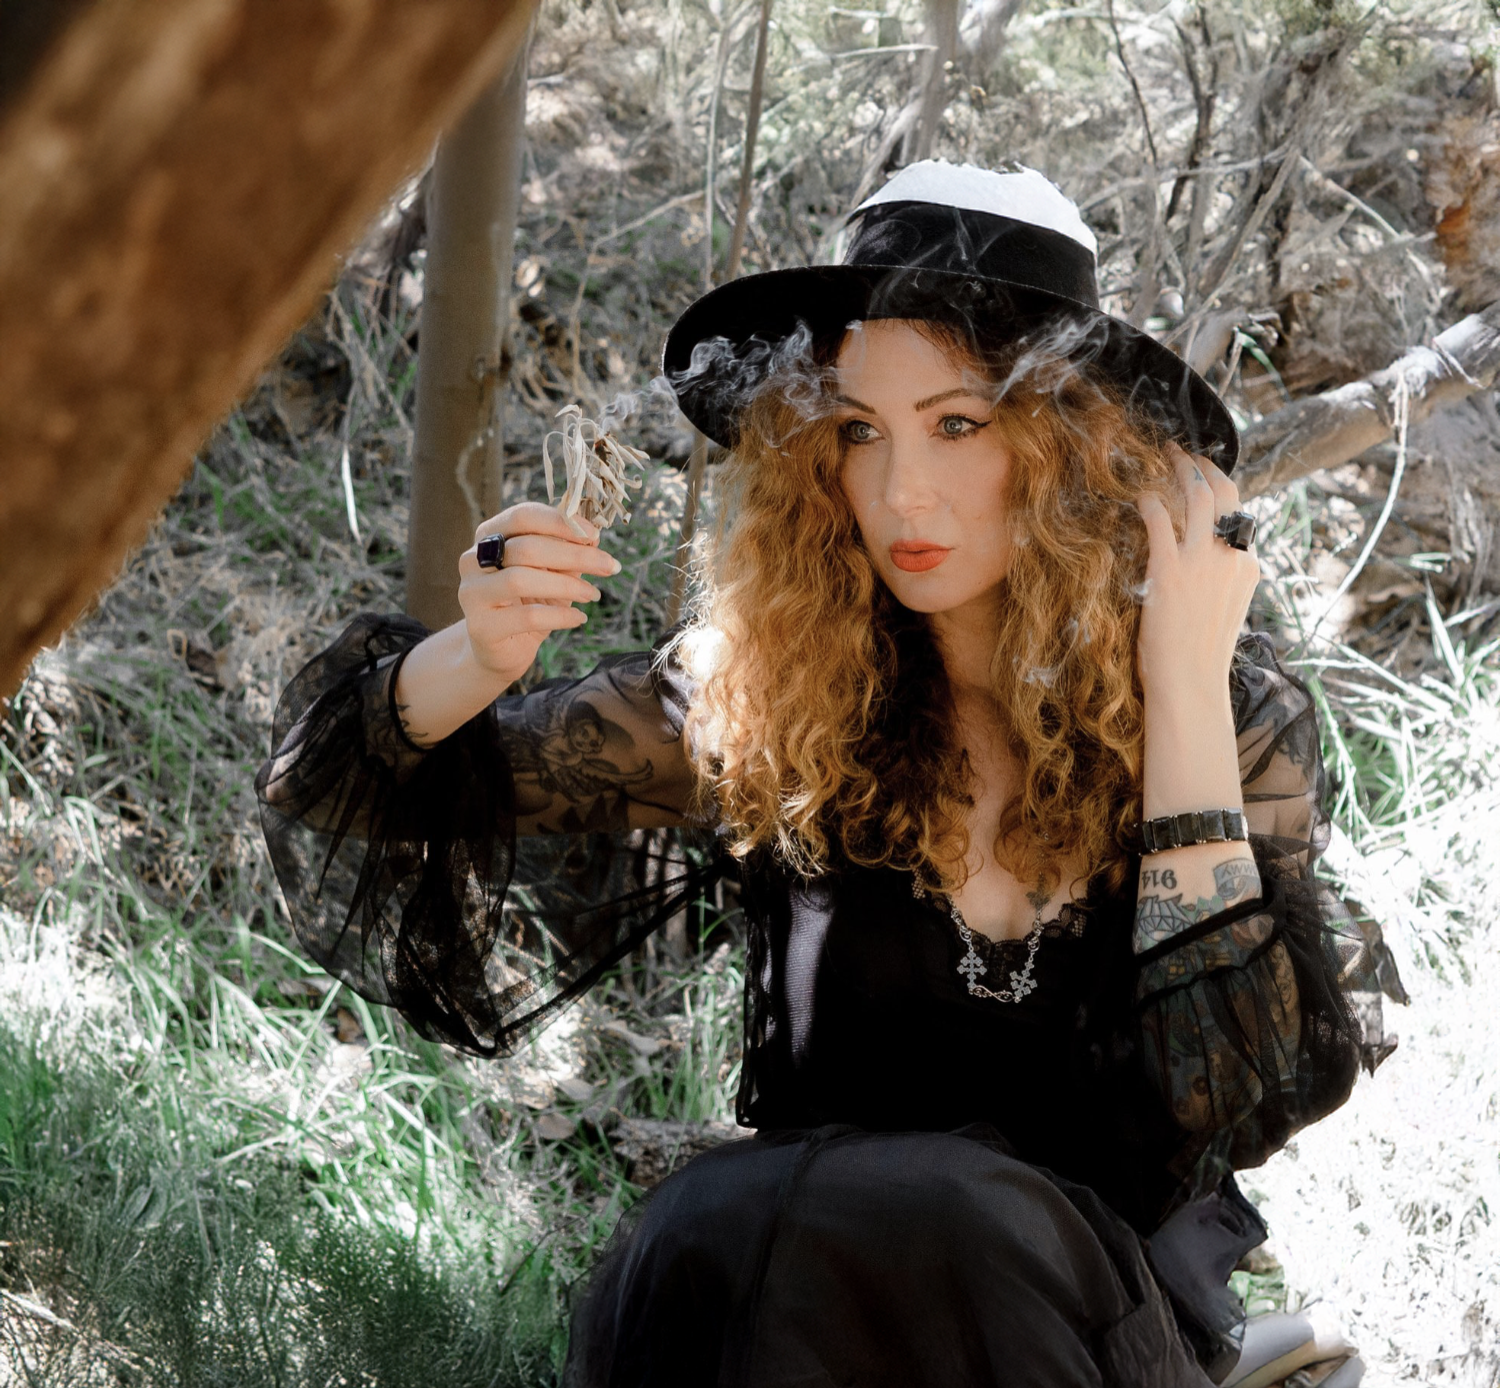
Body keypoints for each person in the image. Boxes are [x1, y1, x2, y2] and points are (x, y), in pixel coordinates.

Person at [257, 161, 1402, 1387]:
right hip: (795, 1320)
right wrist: (475, 655)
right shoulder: (772, 692)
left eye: (958, 424)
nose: (901, 491)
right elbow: (328, 786)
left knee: (943, 1213)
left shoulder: (1228, 717)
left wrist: (1179, 686)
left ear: (1071, 444)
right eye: (859, 431)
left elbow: (1229, 1093)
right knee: (707, 1224)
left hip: (1075, 1341)